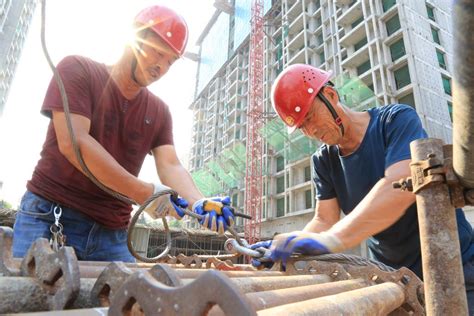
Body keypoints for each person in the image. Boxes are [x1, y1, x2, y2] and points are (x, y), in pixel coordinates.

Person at [12, 5, 234, 262]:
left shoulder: (159, 111)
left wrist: (198, 202)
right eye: (157, 52)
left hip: (112, 233)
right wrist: (143, 193)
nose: (160, 67)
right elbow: (75, 143)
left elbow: (171, 165)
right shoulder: (78, 70)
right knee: (36, 300)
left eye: (170, 61)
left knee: (127, 301)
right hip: (50, 216)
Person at [251, 64, 474, 309]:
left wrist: (332, 240)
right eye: (302, 127)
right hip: (395, 281)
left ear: (331, 96)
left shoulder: (394, 121)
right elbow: (324, 219)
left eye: (311, 117)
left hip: (456, 269)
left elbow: (399, 187)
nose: (311, 131)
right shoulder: (324, 161)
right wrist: (291, 241)